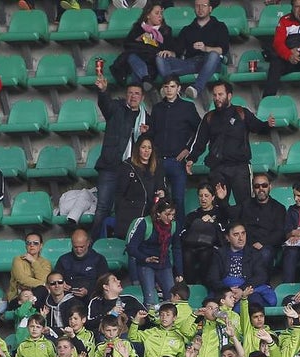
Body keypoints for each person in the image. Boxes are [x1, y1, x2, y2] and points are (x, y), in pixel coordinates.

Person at [185, 81, 275, 205]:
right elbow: (199, 141)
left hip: (240, 167)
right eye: (215, 95)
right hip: (217, 168)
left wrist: (267, 125)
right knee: (219, 205)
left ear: (229, 95)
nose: (217, 98)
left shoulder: (241, 113)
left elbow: (257, 126)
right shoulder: (209, 117)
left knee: (246, 205)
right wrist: (191, 159)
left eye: (220, 94)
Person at [90, 75, 149, 239]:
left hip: (132, 171)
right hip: (110, 166)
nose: (133, 96)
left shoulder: (146, 119)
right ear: (126, 95)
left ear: (142, 97)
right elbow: (105, 104)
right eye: (130, 93)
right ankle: (95, 245)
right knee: (103, 208)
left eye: (137, 93)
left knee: (125, 211)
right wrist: (102, 91)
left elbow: (149, 147)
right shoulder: (116, 108)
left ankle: (118, 246)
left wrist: (146, 134)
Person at [151, 75, 202, 219]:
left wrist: (188, 148)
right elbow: (153, 133)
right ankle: (160, 237)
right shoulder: (157, 108)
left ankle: (179, 237)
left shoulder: (187, 107)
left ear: (179, 88)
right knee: (159, 201)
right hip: (159, 161)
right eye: (166, 86)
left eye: (172, 86)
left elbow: (199, 130)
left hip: (177, 161)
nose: (169, 90)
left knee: (178, 200)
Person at [127, 199, 182, 308]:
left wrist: (179, 272)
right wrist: (145, 258)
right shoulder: (145, 224)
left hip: (164, 263)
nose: (170, 218)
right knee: (150, 299)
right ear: (158, 213)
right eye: (167, 214)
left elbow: (177, 248)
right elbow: (131, 248)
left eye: (173, 215)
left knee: (172, 298)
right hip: (146, 263)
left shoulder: (174, 225)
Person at [207, 222, 275, 305]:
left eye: (243, 233)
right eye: (236, 235)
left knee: (256, 302)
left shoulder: (254, 253)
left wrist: (241, 289)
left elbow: (261, 276)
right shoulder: (219, 254)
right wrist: (229, 290)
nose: (241, 238)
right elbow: (213, 278)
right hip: (225, 291)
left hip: (247, 289)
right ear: (227, 237)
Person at [114, 135, 166, 241]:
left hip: (150, 215)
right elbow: (119, 195)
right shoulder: (127, 167)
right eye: (143, 147)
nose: (146, 151)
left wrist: (163, 193)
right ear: (138, 149)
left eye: (149, 148)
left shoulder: (157, 167)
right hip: (130, 216)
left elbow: (163, 189)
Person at [230, 172, 286, 268]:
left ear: (270, 187)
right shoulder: (246, 205)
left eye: (264, 185)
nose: (261, 189)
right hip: (246, 243)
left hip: (267, 245)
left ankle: (263, 283)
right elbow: (235, 221)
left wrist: (262, 243)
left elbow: (280, 233)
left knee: (265, 254)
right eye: (257, 186)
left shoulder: (279, 208)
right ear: (253, 188)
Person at [114, 3, 175, 87]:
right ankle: (146, 80)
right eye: (157, 13)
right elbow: (127, 45)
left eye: (161, 13)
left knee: (136, 72)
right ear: (148, 15)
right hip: (138, 59)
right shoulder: (138, 28)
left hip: (153, 61)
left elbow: (169, 49)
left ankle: (146, 82)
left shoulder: (166, 30)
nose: (160, 16)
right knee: (131, 56)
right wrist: (139, 39)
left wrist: (155, 43)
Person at [56, 229, 111, 299]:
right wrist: (61, 284)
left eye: (82, 247)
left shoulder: (99, 259)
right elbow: (55, 279)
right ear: (72, 244)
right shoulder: (63, 260)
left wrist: (88, 291)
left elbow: (104, 282)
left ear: (88, 243)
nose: (78, 250)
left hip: (93, 297)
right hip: (69, 298)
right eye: (75, 247)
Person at [8, 232, 52, 305]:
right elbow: (22, 279)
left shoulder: (45, 263)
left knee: (41, 290)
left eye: (35, 243)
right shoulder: (18, 260)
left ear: (41, 245)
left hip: (38, 297)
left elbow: (45, 278)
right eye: (28, 243)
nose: (32, 245)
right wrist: (43, 284)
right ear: (26, 246)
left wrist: (33, 261)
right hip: (18, 298)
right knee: (42, 289)